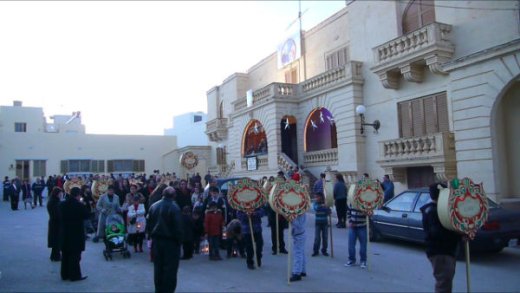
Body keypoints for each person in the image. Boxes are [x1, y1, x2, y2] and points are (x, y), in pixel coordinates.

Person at [421, 183, 461, 293]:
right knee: (444, 283)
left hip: (445, 251)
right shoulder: (433, 211)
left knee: (446, 282)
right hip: (440, 251)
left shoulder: (438, 209)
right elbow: (437, 233)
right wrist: (457, 233)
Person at [148, 187, 184, 293]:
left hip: (157, 241)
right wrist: (179, 242)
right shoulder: (174, 207)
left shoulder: (153, 206)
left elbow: (149, 225)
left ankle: (158, 290)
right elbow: (178, 228)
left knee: (158, 268)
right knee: (170, 270)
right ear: (173, 196)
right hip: (170, 242)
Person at [59, 187, 89, 281]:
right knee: (75, 256)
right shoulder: (79, 205)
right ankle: (74, 275)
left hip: (65, 232)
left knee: (65, 255)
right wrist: (84, 204)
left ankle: (65, 274)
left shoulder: (62, 204)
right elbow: (86, 215)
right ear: (78, 195)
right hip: (76, 233)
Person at [344, 202, 368, 268]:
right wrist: (350, 221)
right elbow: (348, 212)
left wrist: (367, 212)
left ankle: (363, 261)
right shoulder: (351, 202)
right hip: (352, 227)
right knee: (351, 244)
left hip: (362, 226)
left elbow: (369, 214)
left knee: (363, 245)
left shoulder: (365, 203)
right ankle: (351, 260)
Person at [312, 192, 331, 257]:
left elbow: (328, 212)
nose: (316, 198)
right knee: (317, 238)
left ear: (321, 197)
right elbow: (315, 208)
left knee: (325, 237)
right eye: (315, 197)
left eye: (317, 197)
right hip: (318, 223)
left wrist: (327, 208)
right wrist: (323, 207)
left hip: (325, 223)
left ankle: (324, 250)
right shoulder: (315, 203)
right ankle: (315, 251)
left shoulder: (325, 203)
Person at [47, 187, 63, 262]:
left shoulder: (55, 201)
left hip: (55, 222)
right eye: (60, 193)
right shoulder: (54, 202)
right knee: (56, 240)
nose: (61, 194)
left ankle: (54, 255)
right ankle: (56, 256)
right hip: (55, 223)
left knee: (57, 240)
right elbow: (57, 214)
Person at [290, 214, 307, 282]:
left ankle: (297, 273)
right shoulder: (301, 213)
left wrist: (292, 220)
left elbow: (298, 225)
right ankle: (303, 270)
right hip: (299, 234)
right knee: (301, 253)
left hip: (299, 235)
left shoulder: (301, 214)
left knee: (298, 253)